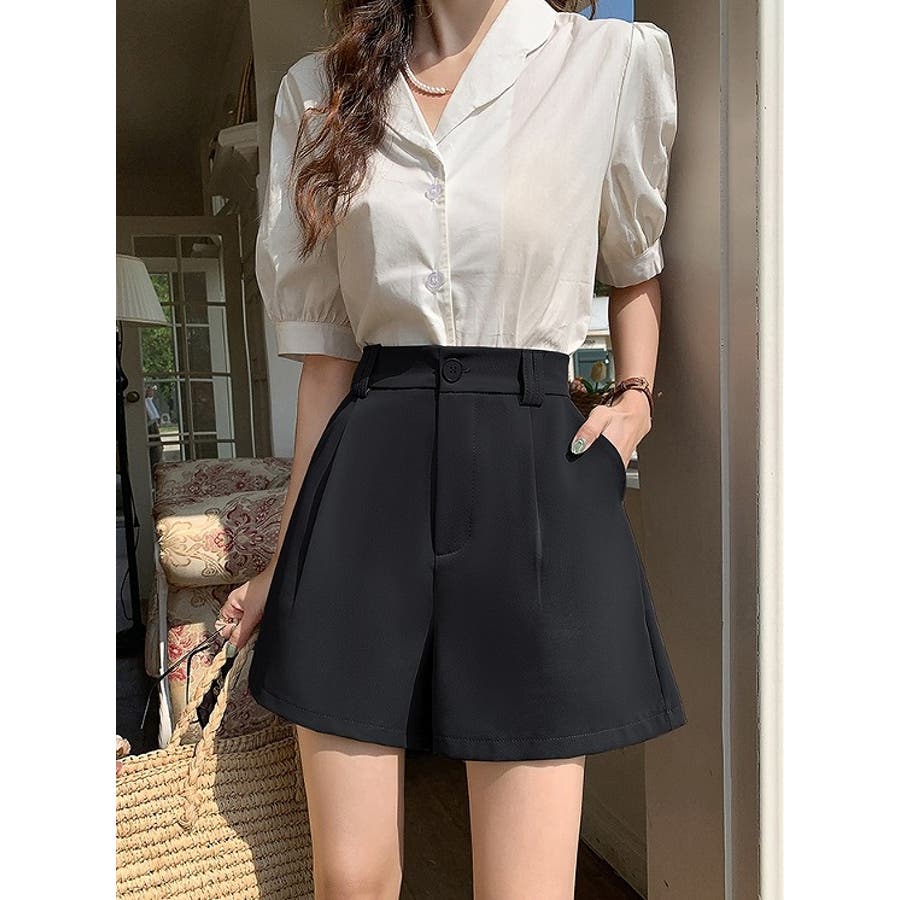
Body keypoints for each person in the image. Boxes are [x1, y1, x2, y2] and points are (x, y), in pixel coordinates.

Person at [219, 0, 686, 895]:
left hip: (533, 470)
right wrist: (285, 559)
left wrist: (634, 402)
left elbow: (635, 265)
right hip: (368, 472)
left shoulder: (609, 62)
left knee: (524, 885)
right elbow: (327, 361)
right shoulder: (320, 91)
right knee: (350, 878)